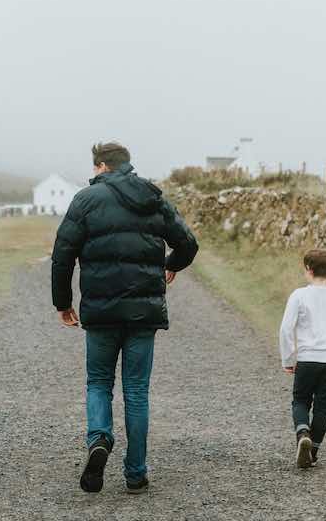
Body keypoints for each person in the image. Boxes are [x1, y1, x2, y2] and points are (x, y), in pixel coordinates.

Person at [51, 142, 199, 494]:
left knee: (99, 382)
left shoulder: (86, 200)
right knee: (136, 391)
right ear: (127, 165)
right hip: (143, 312)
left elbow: (62, 254)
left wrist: (63, 303)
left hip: (101, 312)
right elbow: (188, 243)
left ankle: (100, 438)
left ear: (101, 166)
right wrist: (170, 265)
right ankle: (135, 472)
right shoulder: (152, 196)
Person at [279, 248, 326, 469]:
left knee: (301, 400)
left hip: (307, 358)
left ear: (309, 270)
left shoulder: (299, 295)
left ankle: (303, 432)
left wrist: (288, 358)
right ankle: (312, 452)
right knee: (323, 407)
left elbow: (286, 329)